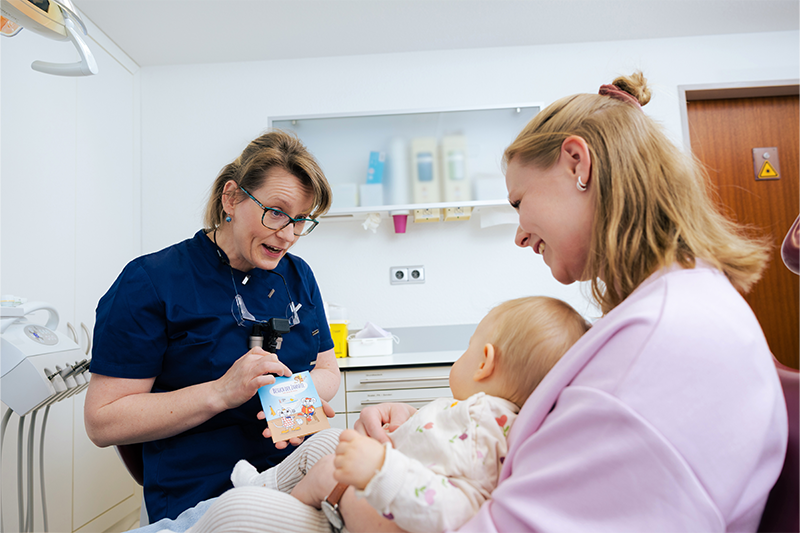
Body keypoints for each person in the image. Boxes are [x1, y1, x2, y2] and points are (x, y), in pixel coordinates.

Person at [346, 72, 789, 533]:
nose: (519, 236)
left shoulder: (663, 343)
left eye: (518, 202)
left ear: (578, 163)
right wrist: (430, 431)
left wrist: (361, 492)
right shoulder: (675, 309)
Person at [149, 295, 590, 533]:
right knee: (327, 443)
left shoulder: (484, 425)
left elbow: (454, 508)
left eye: (468, 347)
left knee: (238, 511)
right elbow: (444, 456)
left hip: (365, 515)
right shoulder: (483, 416)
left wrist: (381, 468)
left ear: (484, 363)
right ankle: (266, 487)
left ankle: (255, 501)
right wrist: (411, 423)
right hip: (364, 497)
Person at [84, 130, 340, 522]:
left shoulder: (297, 275)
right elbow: (103, 421)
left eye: (301, 220)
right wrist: (221, 392)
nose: (288, 235)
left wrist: (290, 398)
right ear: (231, 198)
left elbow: (327, 371)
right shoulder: (151, 281)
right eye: (276, 212)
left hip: (296, 478)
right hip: (203, 496)